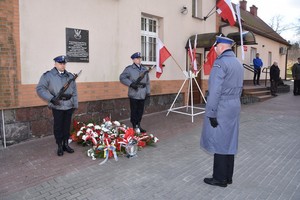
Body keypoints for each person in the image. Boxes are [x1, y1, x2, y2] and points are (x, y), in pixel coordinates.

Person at [200, 36, 244, 187]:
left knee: (219, 141)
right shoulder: (238, 62)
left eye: (216, 46)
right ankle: (228, 176)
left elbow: (215, 91)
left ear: (221, 46)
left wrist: (211, 113)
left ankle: (219, 178)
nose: (215, 49)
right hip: (234, 104)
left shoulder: (220, 63)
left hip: (222, 106)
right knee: (230, 140)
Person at [36, 55, 78, 156]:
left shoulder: (70, 76)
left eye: (64, 63)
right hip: (57, 105)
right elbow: (40, 89)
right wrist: (51, 98)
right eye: (60, 63)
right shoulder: (48, 75)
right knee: (58, 127)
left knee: (67, 126)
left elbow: (74, 91)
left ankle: (65, 144)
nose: (62, 65)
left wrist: (75, 104)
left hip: (68, 105)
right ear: (55, 64)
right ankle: (59, 145)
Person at [119, 52, 150, 133]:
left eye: (140, 58)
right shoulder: (129, 69)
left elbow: (148, 82)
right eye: (137, 58)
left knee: (140, 111)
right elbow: (122, 77)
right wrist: (131, 84)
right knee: (134, 111)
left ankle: (138, 125)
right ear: (133, 60)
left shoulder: (144, 69)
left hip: (143, 92)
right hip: (134, 92)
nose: (139, 60)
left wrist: (148, 92)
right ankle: (134, 126)